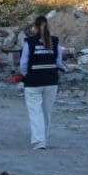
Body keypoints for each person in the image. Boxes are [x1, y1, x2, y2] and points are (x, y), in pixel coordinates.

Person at [20, 15, 65, 150]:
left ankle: (40, 141)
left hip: (33, 82)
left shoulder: (29, 42)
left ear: (35, 27)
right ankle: (43, 138)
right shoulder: (55, 42)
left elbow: (23, 64)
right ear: (48, 25)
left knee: (35, 111)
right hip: (51, 81)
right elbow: (59, 63)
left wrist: (26, 76)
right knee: (46, 111)